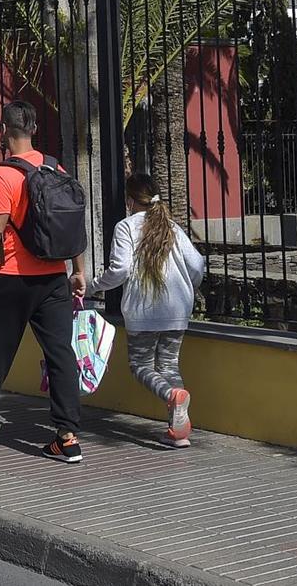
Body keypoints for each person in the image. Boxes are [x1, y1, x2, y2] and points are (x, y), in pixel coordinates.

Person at [0, 100, 89, 464]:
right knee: (61, 355)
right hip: (55, 279)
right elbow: (70, 224)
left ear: (2, 130)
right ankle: (67, 437)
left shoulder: (3, 174)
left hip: (13, 279)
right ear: (35, 131)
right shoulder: (55, 166)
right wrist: (78, 270)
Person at [87, 174, 207, 446]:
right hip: (177, 309)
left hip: (144, 311)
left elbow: (120, 269)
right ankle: (177, 433)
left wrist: (95, 286)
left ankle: (170, 395)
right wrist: (189, 287)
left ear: (130, 200)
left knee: (140, 365)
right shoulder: (172, 226)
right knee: (168, 364)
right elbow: (197, 264)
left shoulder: (126, 227)